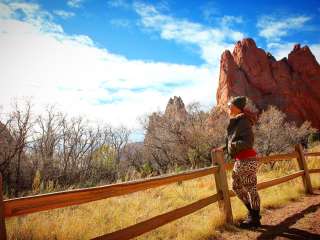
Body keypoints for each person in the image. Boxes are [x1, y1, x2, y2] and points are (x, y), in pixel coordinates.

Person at [214, 96, 261, 228]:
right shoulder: (236, 121)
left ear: (236, 107)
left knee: (250, 187)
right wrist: (222, 148)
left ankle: (255, 218)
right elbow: (231, 141)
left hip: (247, 159)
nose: (228, 108)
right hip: (241, 160)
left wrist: (232, 146)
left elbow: (248, 142)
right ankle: (253, 214)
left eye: (230, 106)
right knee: (236, 187)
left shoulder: (243, 122)